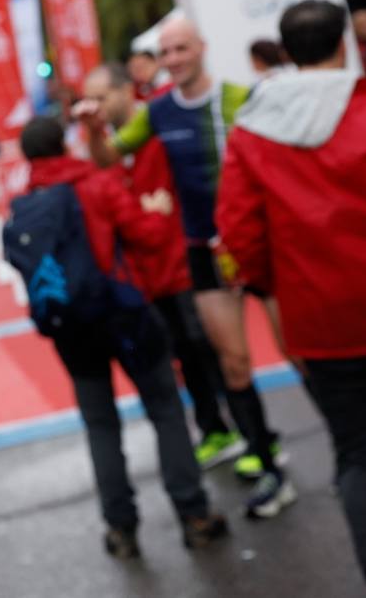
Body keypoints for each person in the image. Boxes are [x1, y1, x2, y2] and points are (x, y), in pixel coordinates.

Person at [217, 0, 366, 598]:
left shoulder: (252, 134)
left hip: (322, 318)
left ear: (286, 52)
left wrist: (276, 287)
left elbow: (239, 235)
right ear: (344, 44)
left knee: (359, 455)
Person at [79, 16, 295, 518]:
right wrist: (92, 129)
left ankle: (340, 448)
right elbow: (108, 159)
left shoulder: (242, 97)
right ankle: (268, 467)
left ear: (201, 47)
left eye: (181, 49)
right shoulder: (158, 112)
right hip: (203, 251)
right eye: (166, 52)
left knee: (300, 353)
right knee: (232, 362)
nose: (174, 59)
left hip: (259, 242)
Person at [8, 117, 228, 558]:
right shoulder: (96, 184)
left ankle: (121, 529)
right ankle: (194, 515)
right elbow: (147, 236)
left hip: (71, 326)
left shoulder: (24, 205)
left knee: (100, 423)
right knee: (165, 409)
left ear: (28, 157)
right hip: (124, 314)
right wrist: (159, 212)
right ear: (64, 144)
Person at [81, 62, 241, 469]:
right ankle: (215, 429)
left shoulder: (161, 125)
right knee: (183, 354)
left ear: (126, 91)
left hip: (186, 262)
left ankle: (249, 433)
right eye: (90, 100)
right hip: (147, 276)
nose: (96, 107)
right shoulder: (107, 146)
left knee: (211, 347)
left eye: (101, 98)